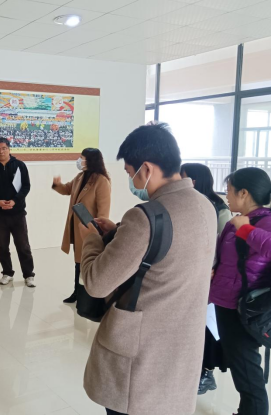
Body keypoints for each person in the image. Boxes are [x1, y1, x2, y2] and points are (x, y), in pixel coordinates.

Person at [79, 123, 217, 415]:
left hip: (141, 358)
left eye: (130, 172)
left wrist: (91, 239)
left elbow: (96, 283)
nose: (131, 180)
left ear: (147, 169)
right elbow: (167, 253)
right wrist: (118, 232)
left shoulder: (145, 217)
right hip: (182, 345)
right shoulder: (204, 205)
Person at [210, 167, 271, 415]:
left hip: (244, 308)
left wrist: (245, 229)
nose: (226, 195)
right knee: (242, 369)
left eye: (229, 190)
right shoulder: (237, 220)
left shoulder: (264, 221)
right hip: (226, 302)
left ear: (244, 193)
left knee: (247, 373)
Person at [181, 163, 232, 394]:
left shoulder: (219, 209)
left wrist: (214, 270)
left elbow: (223, 247)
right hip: (189, 273)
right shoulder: (186, 203)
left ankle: (207, 373)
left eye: (182, 177)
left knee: (208, 326)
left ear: (193, 181)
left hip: (209, 276)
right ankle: (192, 369)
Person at [52, 148, 111, 303]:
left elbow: (103, 211)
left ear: (90, 160)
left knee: (86, 262)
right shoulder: (80, 177)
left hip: (90, 230)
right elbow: (66, 189)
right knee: (78, 262)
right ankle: (77, 293)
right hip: (77, 228)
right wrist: (57, 184)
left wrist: (98, 231)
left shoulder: (101, 181)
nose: (79, 161)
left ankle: (87, 296)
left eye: (81, 158)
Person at [0, 137, 36, 287]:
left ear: (9, 149)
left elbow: (26, 186)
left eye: (4, 148)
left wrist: (15, 201)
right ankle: (7, 273)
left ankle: (28, 275)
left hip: (18, 213)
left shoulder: (20, 165)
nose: (1, 151)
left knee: (23, 246)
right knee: (2, 247)